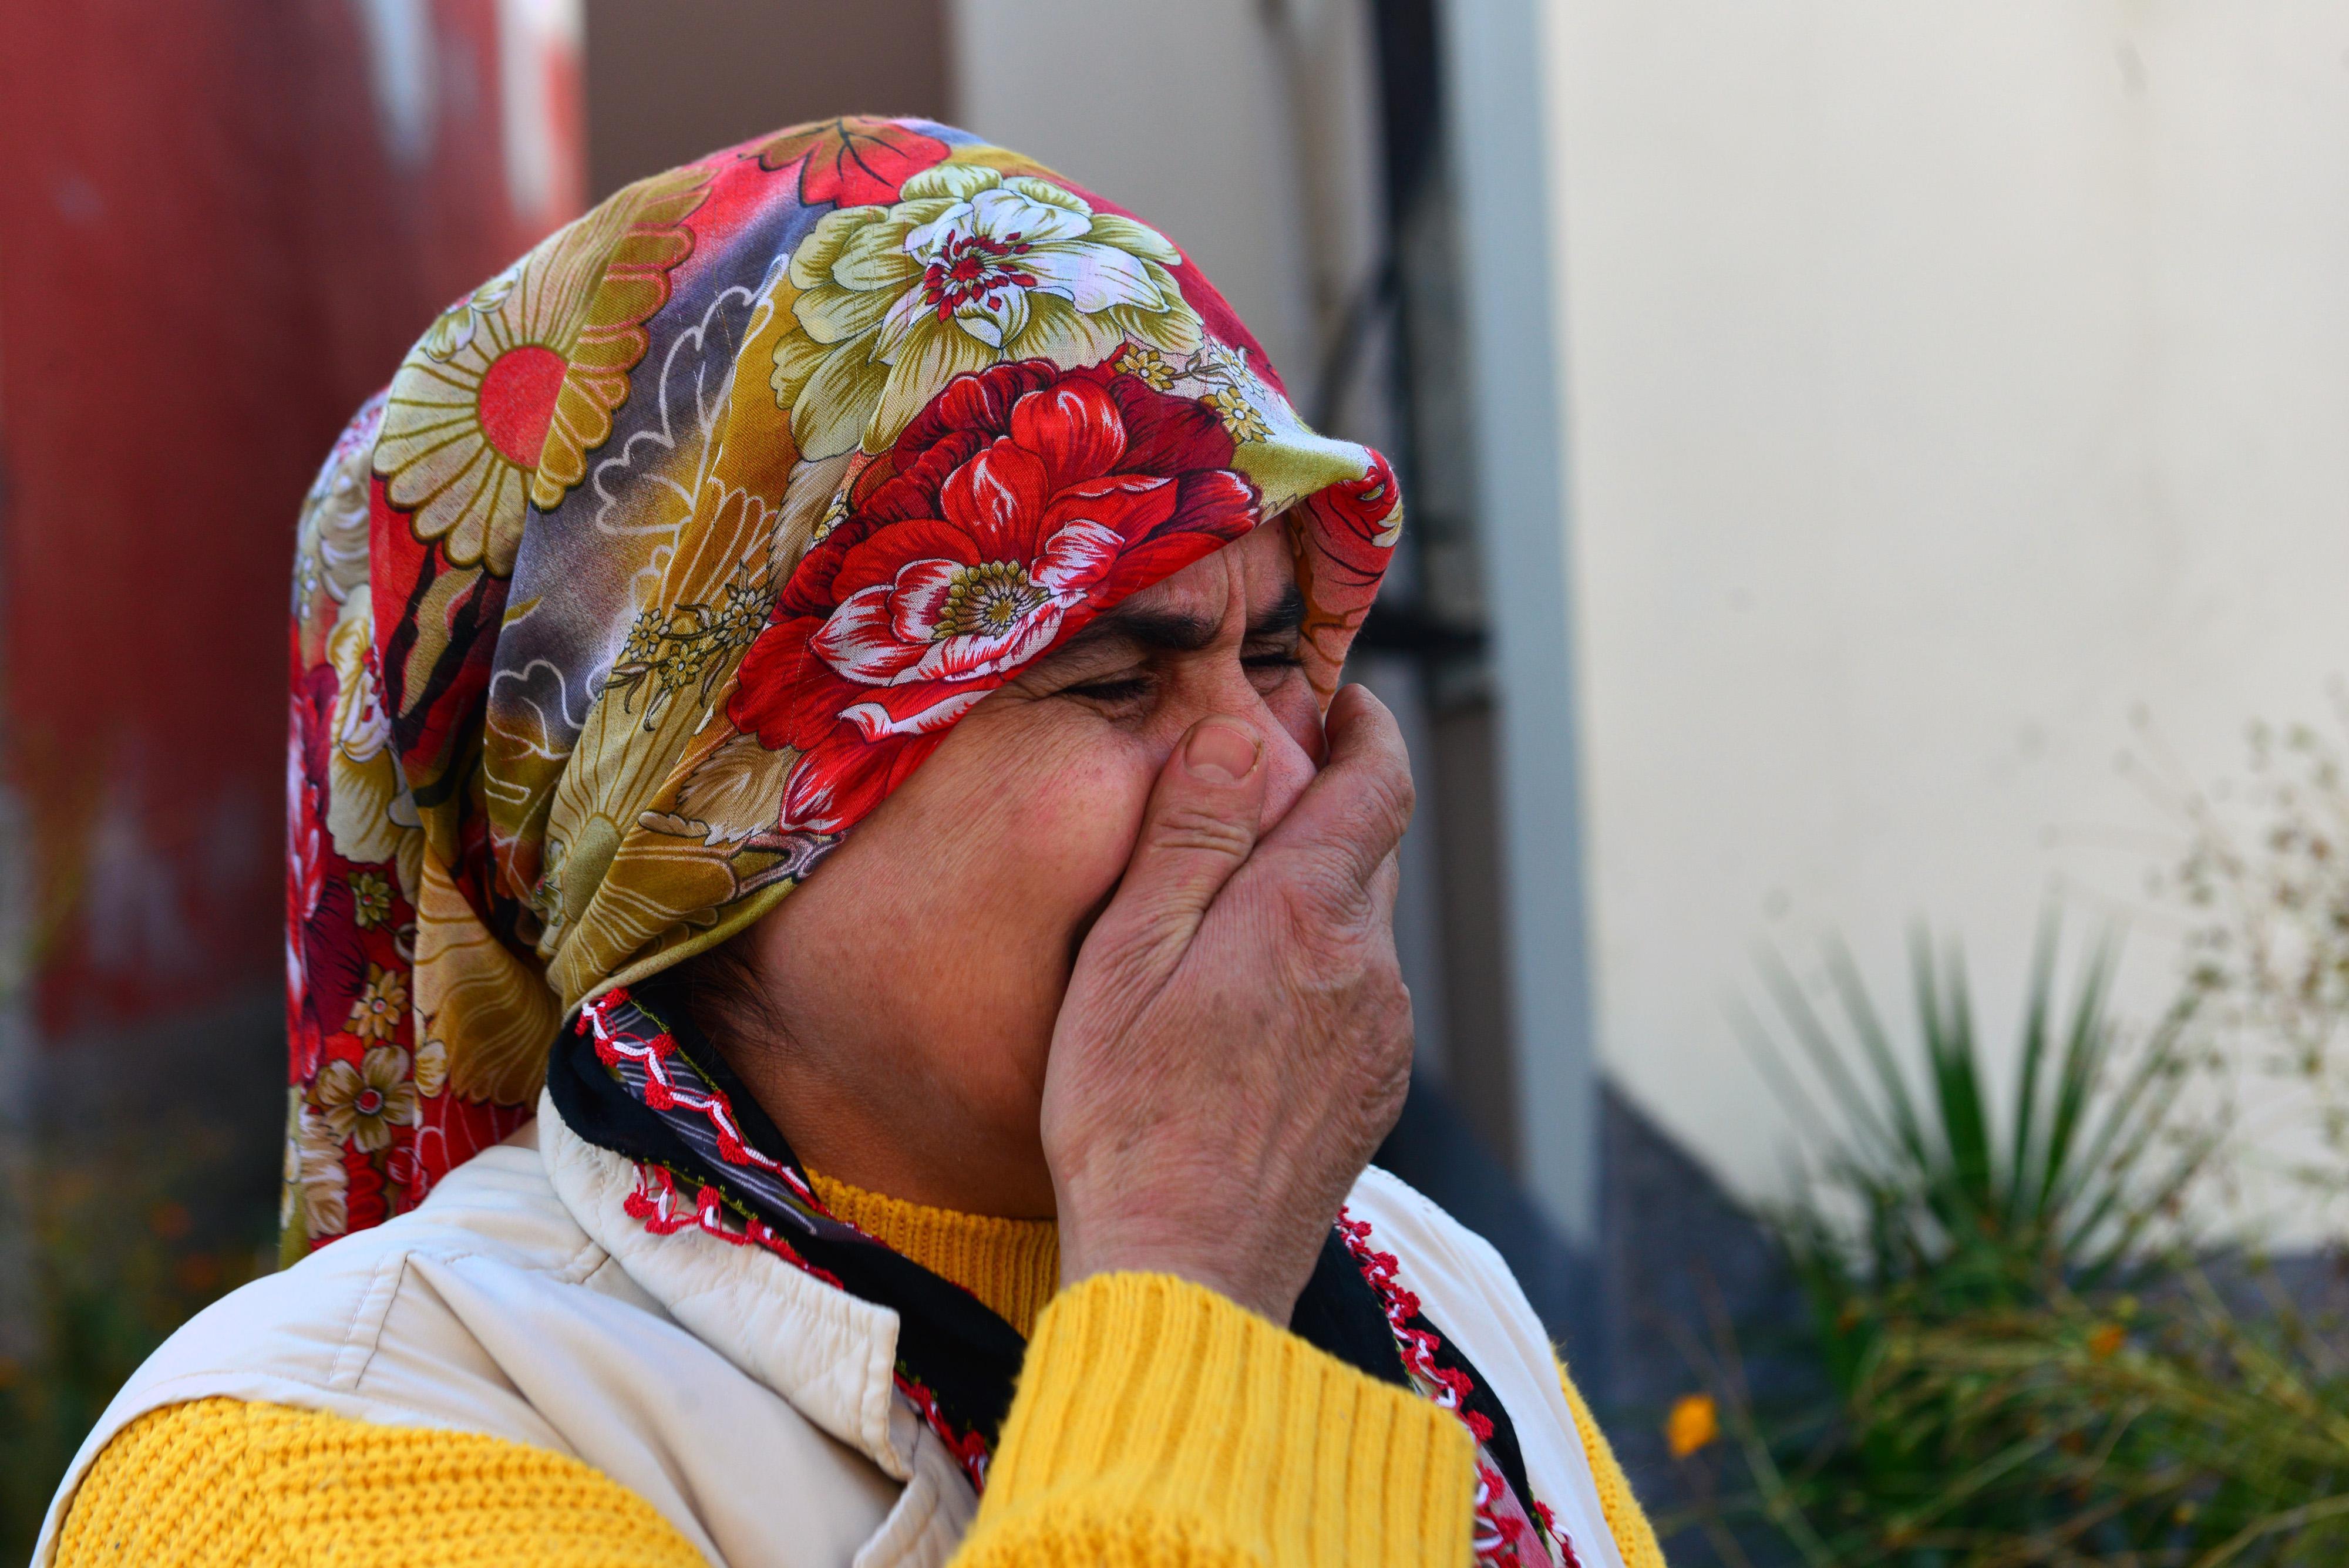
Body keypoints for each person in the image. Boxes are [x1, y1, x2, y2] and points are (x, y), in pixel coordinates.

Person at [35, 117, 1664, 1568]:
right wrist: (1192, 1273)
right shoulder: (318, 1468)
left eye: (1274, 658)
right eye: (1112, 677)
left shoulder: (1427, 1296)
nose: (1267, 772)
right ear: (712, 823)